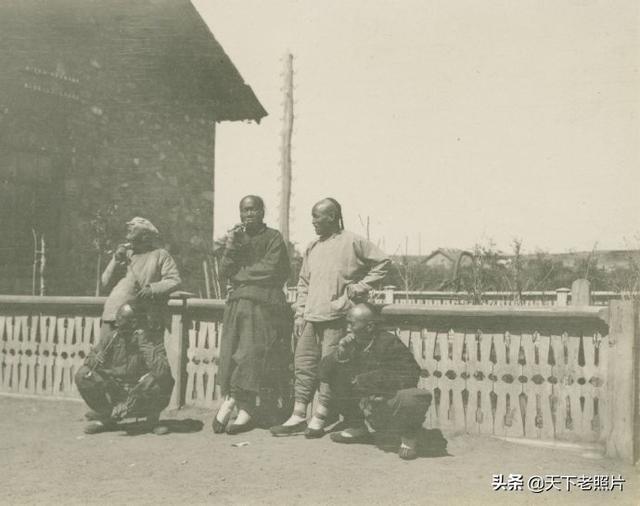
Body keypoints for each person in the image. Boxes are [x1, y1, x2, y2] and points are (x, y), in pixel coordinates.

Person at [270, 198, 390, 437]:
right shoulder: (312, 247)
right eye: (312, 216)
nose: (313, 221)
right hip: (310, 319)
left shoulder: (353, 241)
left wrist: (363, 286)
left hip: (337, 317)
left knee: (329, 369)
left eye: (317, 216)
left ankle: (321, 416)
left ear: (332, 216)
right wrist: (300, 314)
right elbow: (303, 282)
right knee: (303, 366)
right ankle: (298, 416)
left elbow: (383, 262)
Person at [212, 195, 293, 434]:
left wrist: (238, 277)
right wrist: (230, 246)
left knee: (251, 354)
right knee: (233, 353)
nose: (249, 215)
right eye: (245, 210)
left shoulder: (273, 238)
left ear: (262, 212)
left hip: (263, 304)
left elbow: (269, 270)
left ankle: (237, 405)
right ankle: (239, 405)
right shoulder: (237, 238)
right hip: (237, 304)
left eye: (254, 210)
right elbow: (223, 271)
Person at [319, 303, 431, 460]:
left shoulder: (389, 343)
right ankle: (357, 426)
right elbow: (323, 372)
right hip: (367, 402)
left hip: (386, 400)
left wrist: (372, 382)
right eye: (348, 323)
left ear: (370, 326)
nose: (348, 328)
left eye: (352, 324)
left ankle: (408, 437)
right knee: (335, 374)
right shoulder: (351, 344)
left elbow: (411, 373)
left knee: (413, 397)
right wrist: (340, 353)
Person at [75, 303, 175, 434]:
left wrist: (144, 344)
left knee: (161, 380)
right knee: (83, 374)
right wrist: (96, 359)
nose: (116, 322)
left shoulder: (152, 339)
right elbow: (89, 359)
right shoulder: (112, 337)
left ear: (133, 323)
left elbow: (162, 372)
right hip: (117, 391)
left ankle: (152, 422)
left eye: (120, 319)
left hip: (140, 393)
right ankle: (108, 418)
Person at [100, 216, 181, 344]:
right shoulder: (124, 254)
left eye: (134, 226)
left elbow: (174, 280)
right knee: (103, 357)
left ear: (145, 235)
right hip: (110, 314)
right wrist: (116, 260)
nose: (129, 227)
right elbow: (105, 282)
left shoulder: (160, 254)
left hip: (134, 318)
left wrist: (152, 288)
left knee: (128, 360)